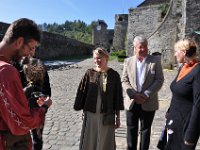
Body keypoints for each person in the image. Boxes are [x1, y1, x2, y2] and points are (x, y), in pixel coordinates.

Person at [0, 18, 52, 150]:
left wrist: (21, 95)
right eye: (31, 48)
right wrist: (44, 108)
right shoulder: (7, 70)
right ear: (19, 42)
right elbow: (22, 123)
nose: (31, 53)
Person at [74, 47, 124, 150]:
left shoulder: (114, 75)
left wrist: (118, 117)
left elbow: (117, 98)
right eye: (95, 58)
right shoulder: (89, 73)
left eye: (99, 58)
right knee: (90, 141)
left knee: (105, 142)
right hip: (91, 114)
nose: (97, 61)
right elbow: (82, 93)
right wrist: (84, 110)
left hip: (107, 114)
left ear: (106, 58)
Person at [121, 36, 164, 150]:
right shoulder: (128, 61)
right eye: (140, 47)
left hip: (148, 101)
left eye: (145, 46)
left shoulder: (155, 61)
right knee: (131, 129)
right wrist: (134, 95)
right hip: (132, 101)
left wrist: (146, 94)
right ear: (134, 48)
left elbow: (159, 79)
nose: (143, 49)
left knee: (145, 130)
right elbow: (124, 80)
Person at [165, 38, 200, 150]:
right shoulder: (183, 67)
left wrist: (191, 135)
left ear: (184, 52)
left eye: (176, 51)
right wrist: (169, 111)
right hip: (174, 121)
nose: (175, 54)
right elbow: (177, 91)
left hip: (185, 126)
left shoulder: (198, 71)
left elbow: (198, 104)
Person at [23, 57, 50, 150]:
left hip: (30, 112)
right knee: (37, 137)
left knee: (32, 137)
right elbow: (47, 93)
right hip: (37, 112)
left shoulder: (27, 90)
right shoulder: (40, 89)